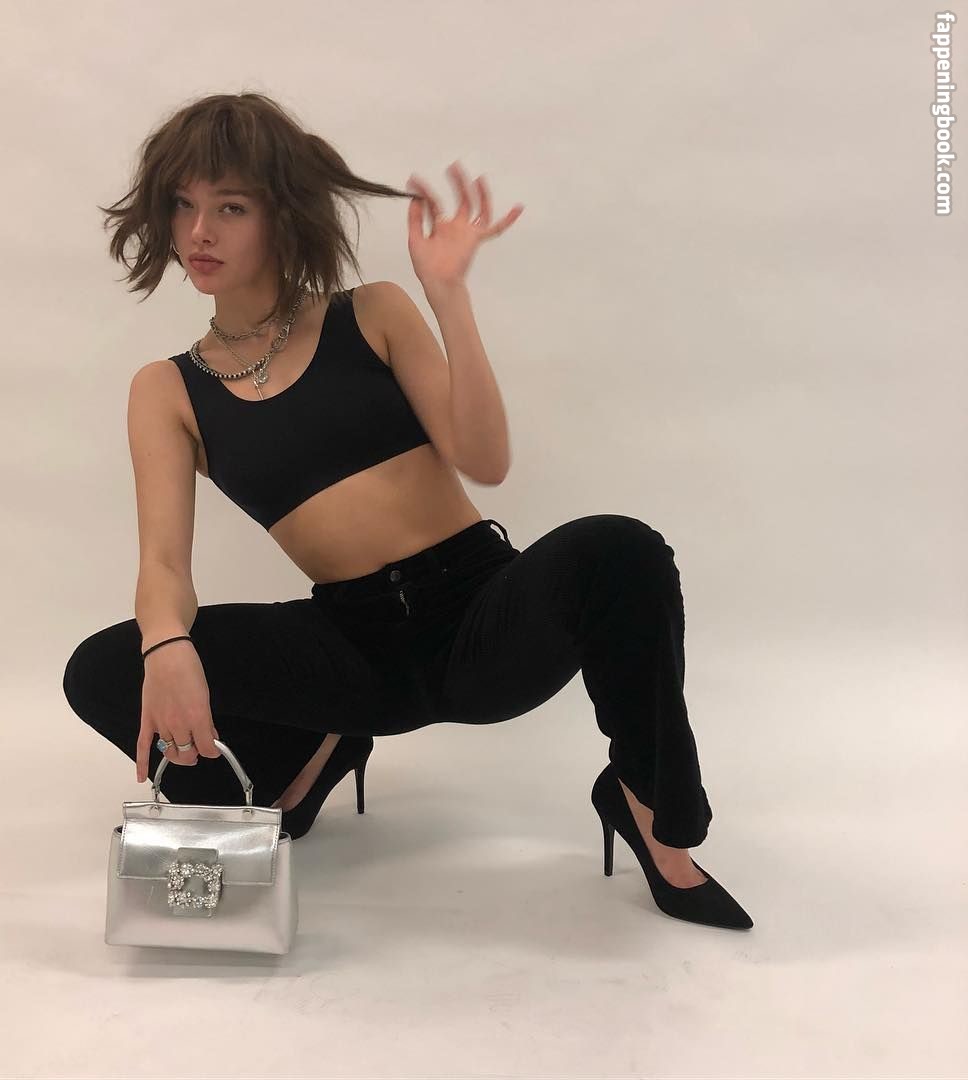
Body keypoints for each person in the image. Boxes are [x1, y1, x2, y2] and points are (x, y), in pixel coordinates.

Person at [62, 91, 753, 931]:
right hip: (352, 652)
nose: (199, 231)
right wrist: (167, 644)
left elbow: (486, 461)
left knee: (623, 549)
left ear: (281, 214)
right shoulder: (167, 390)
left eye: (230, 207)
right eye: (183, 205)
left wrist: (448, 295)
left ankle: (653, 814)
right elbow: (164, 566)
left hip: (478, 619)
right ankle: (300, 763)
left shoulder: (372, 314)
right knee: (104, 670)